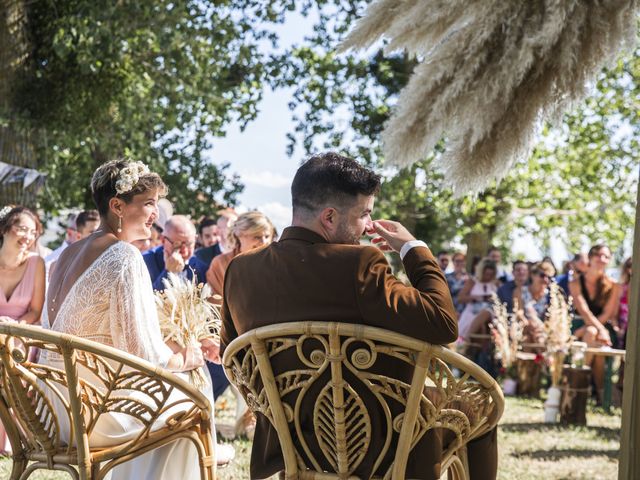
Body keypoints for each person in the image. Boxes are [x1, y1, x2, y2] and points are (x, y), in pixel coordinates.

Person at [220, 152, 496, 480]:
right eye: (364, 214)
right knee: (482, 407)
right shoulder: (360, 265)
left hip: (287, 442)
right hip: (382, 444)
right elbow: (443, 322)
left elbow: (235, 360)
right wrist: (413, 248)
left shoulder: (240, 270)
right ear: (330, 217)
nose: (368, 227)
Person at [40, 159, 221, 479]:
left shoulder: (66, 254)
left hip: (56, 407)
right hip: (95, 414)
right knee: (196, 401)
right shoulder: (124, 256)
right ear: (117, 206)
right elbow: (144, 356)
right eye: (149, 203)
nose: (156, 214)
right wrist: (189, 354)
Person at [0, 205, 46, 453]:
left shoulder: (36, 263)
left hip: (23, 333)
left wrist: (15, 327)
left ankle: (14, 439)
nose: (28, 237)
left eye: (33, 232)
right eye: (22, 229)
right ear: (5, 230)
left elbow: (36, 311)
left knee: (12, 349)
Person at [568, 244, 620, 402]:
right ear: (590, 257)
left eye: (606, 256)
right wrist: (597, 330)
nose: (601, 259)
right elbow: (584, 311)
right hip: (581, 325)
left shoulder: (614, 285)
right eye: (598, 254)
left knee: (591, 334)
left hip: (600, 328)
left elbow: (607, 314)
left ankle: (576, 389)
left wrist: (597, 329)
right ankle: (603, 394)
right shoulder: (575, 283)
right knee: (594, 340)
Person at [142, 215, 208, 291]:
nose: (184, 251)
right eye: (177, 244)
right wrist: (168, 272)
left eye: (189, 244)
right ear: (163, 240)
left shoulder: (202, 268)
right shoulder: (145, 262)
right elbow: (146, 299)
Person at [457, 258, 499, 341]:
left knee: (486, 316)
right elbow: (460, 298)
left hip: (489, 314)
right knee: (480, 326)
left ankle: (470, 344)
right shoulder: (472, 281)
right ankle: (466, 343)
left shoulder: (495, 283)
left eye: (491, 275)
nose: (488, 277)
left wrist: (492, 299)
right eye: (486, 274)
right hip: (472, 312)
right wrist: (476, 298)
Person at [513, 261, 554, 346]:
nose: (545, 279)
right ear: (533, 275)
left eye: (548, 277)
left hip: (541, 329)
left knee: (528, 339)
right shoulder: (520, 291)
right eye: (542, 276)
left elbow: (550, 318)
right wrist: (526, 321)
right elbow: (519, 311)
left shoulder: (550, 296)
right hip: (524, 325)